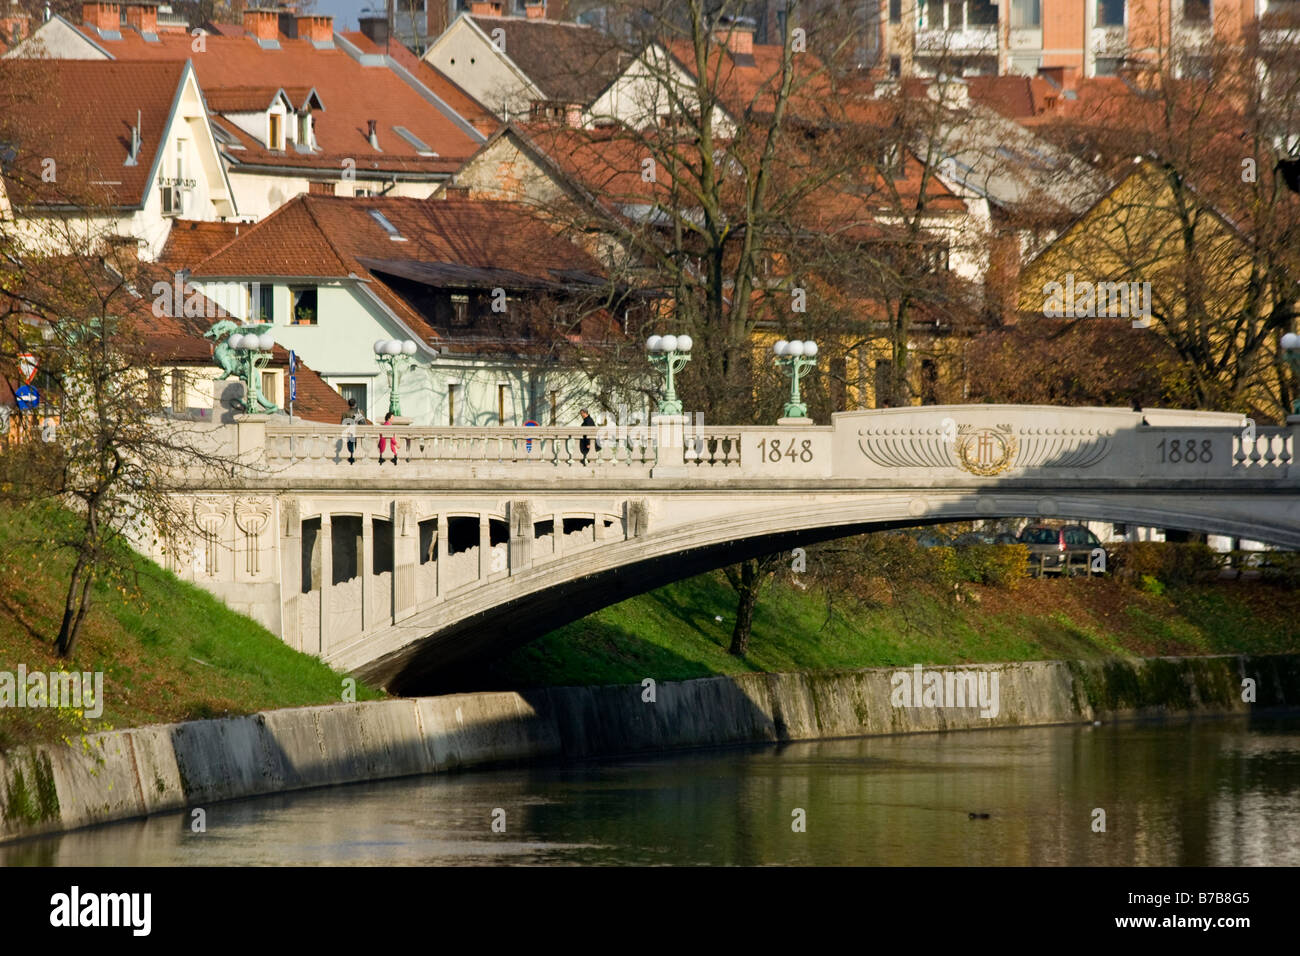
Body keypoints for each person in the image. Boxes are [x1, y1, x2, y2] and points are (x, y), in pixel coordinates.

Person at [341, 398, 368, 464]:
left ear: (349, 404)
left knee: (350, 447)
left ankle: (351, 459)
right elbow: (364, 424)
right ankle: (356, 459)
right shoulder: (360, 412)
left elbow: (343, 425)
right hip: (358, 433)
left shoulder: (345, 413)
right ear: (355, 404)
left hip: (349, 433)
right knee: (358, 446)